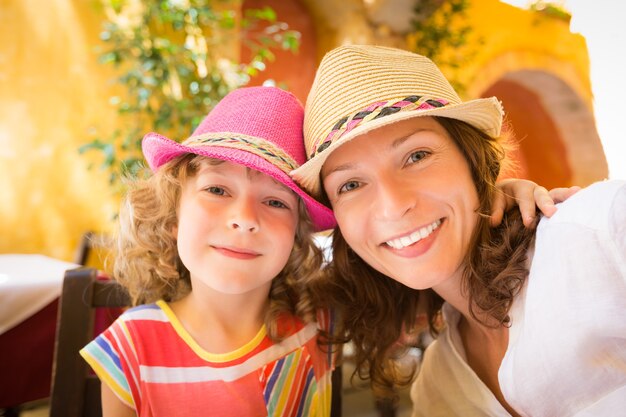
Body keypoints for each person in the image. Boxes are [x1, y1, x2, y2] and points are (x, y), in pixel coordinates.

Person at [292, 45, 624, 416]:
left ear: (473, 160)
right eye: (350, 185)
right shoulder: (439, 388)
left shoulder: (597, 234)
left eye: (417, 156)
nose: (393, 205)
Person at [80, 86, 338, 417]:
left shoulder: (318, 323)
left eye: (275, 202)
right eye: (217, 190)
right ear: (172, 217)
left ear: (296, 235)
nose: (244, 219)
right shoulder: (131, 347)